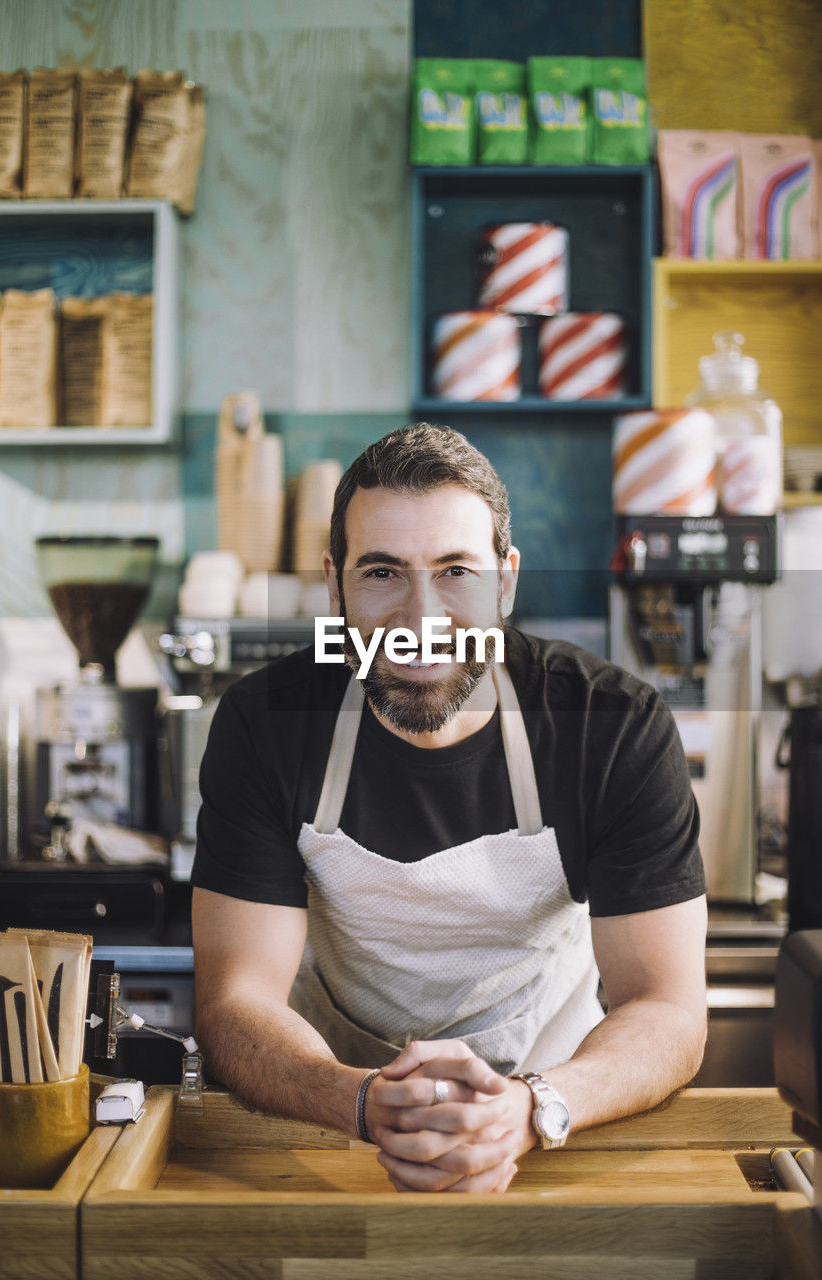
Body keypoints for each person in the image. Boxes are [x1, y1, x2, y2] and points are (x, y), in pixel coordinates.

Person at [192, 423, 707, 1194]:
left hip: (558, 1122)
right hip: (330, 1130)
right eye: (382, 573)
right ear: (333, 586)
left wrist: (534, 1110)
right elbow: (235, 1001)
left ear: (504, 580)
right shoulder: (263, 723)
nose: (421, 615)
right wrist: (363, 1102)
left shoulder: (611, 726)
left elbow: (666, 1007)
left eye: (455, 571)